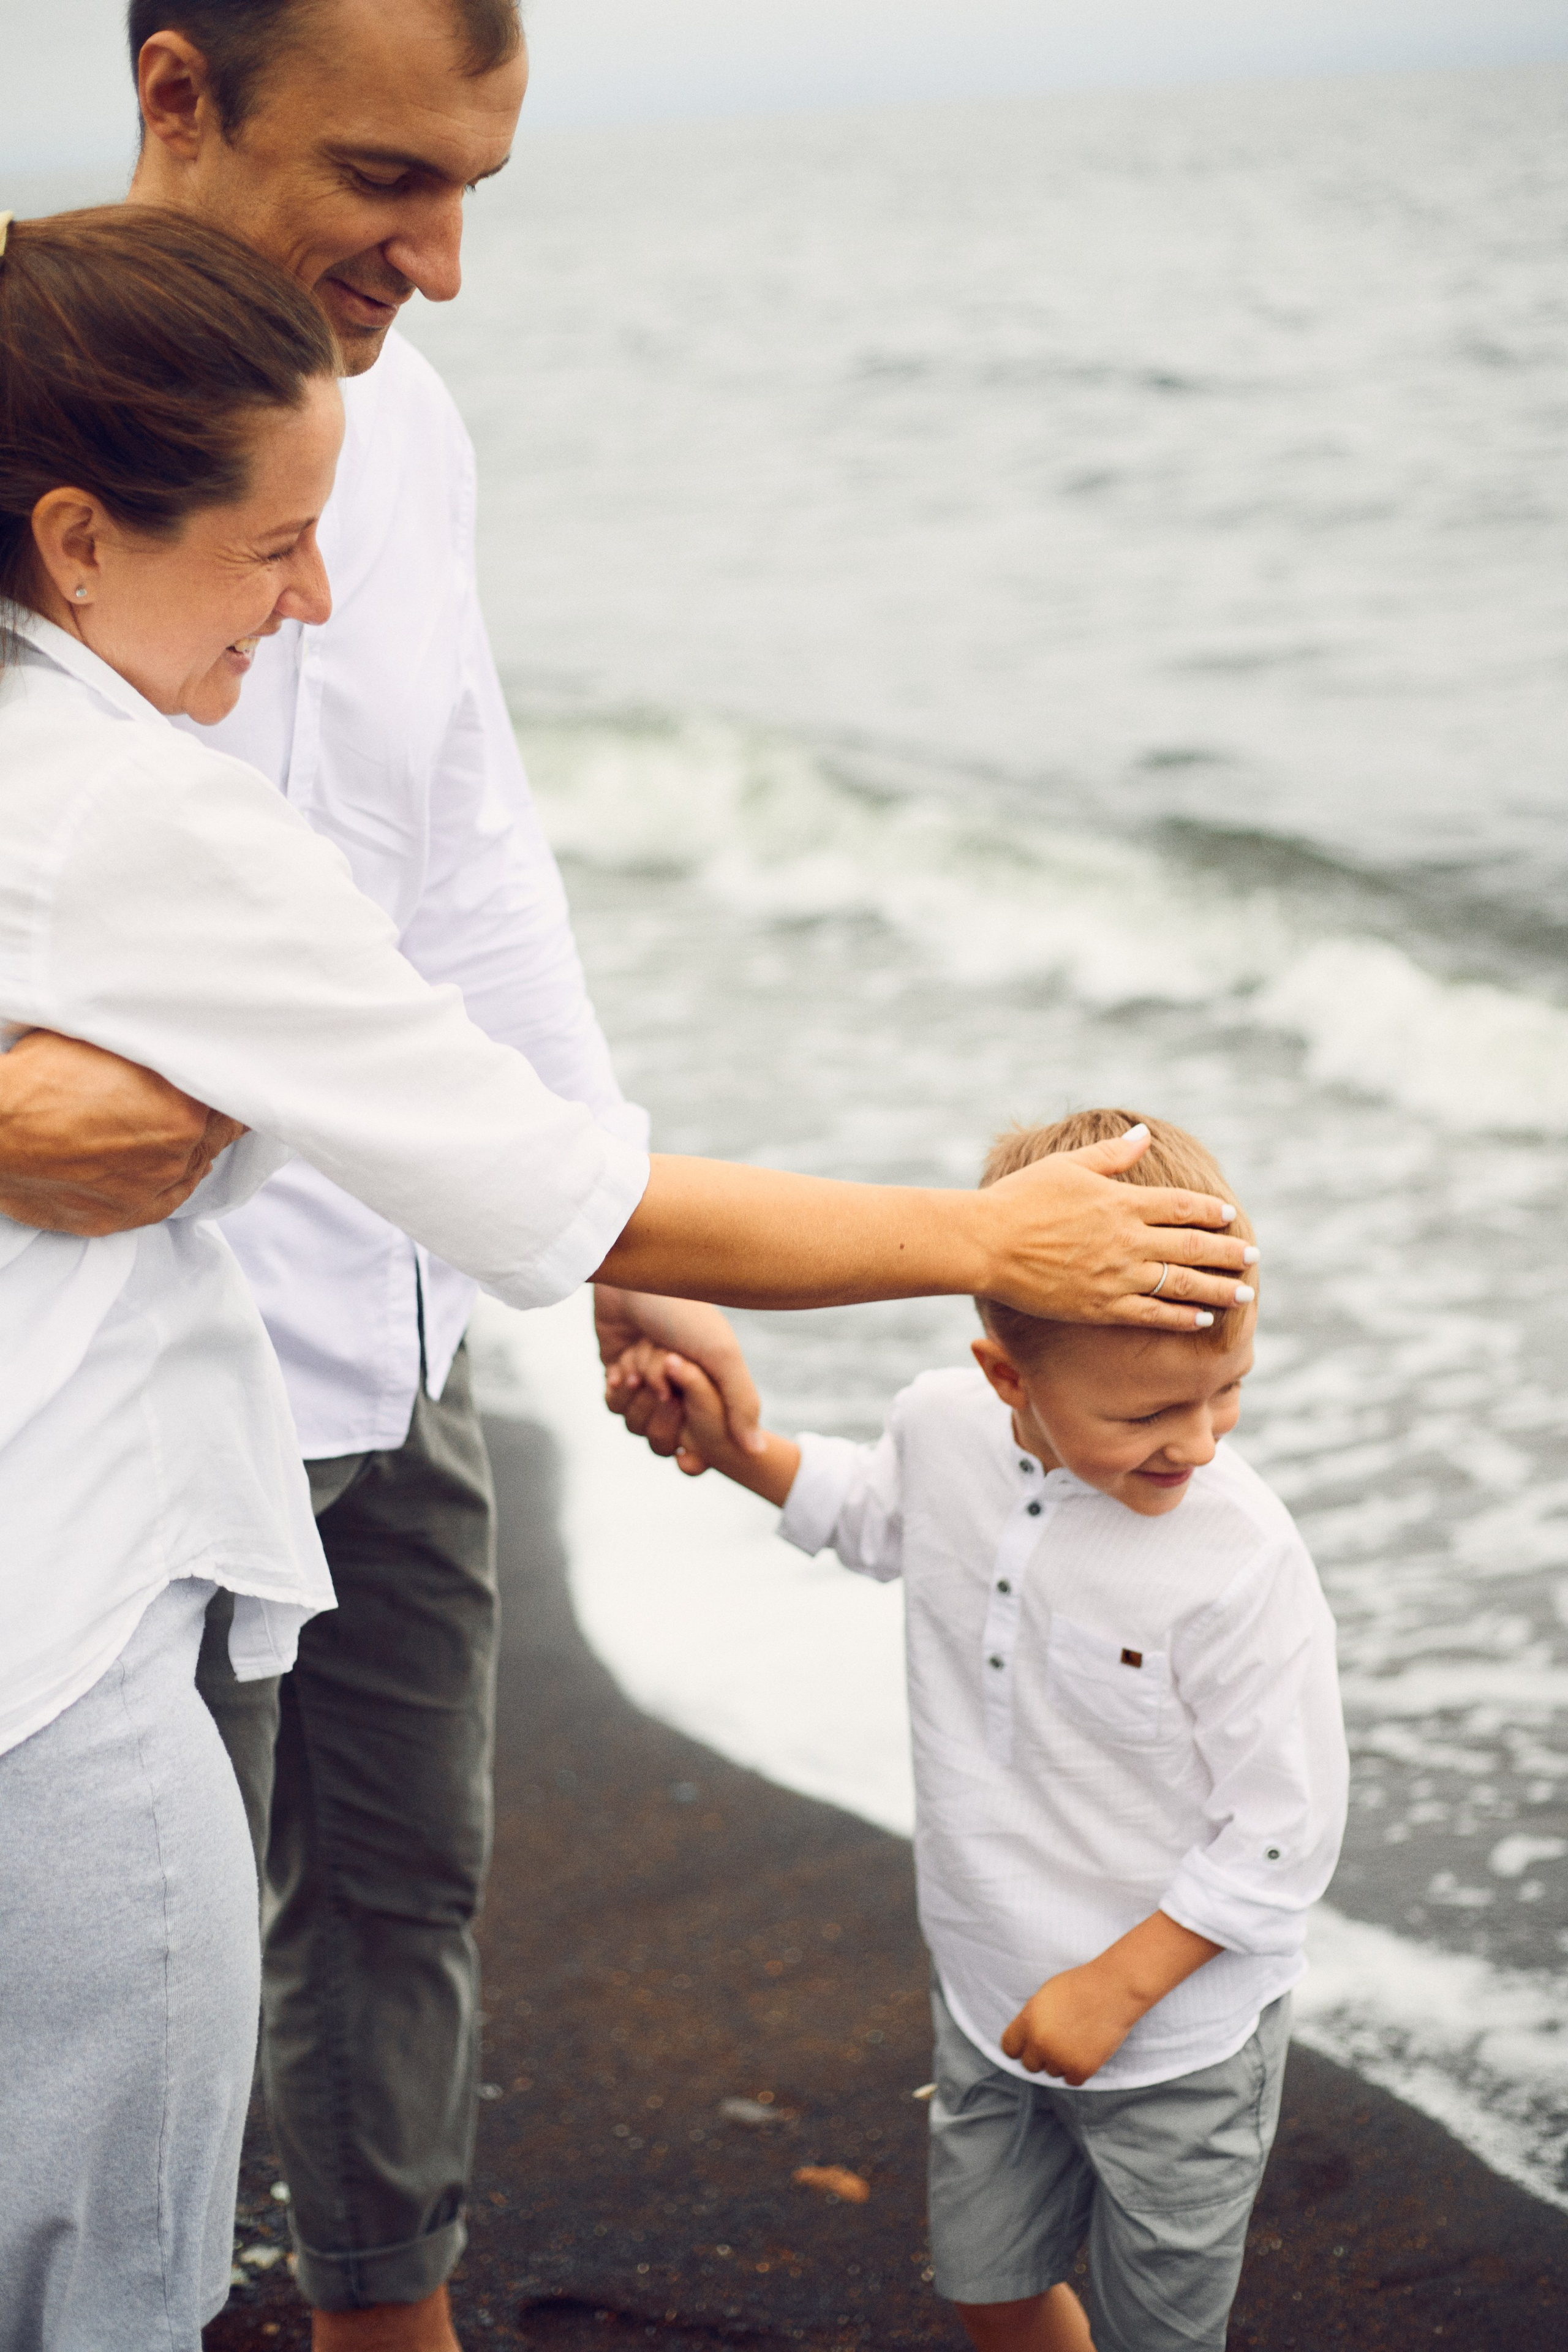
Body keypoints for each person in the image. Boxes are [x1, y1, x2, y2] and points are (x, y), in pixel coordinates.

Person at [0, 209, 1256, 2352]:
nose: (314, 602)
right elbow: (551, 1191)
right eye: (277, 547)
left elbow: (481, 881)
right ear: (80, 538)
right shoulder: (148, 814)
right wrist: (984, 1238)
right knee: (106, 2273)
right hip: (61, 1648)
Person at [611, 1110, 1347, 2352]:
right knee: (987, 2285)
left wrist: (1115, 1987)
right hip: (985, 1981)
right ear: (1008, 1379)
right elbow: (875, 1515)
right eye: (1149, 1413)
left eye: (1227, 1390)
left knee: (1159, 2334)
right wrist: (738, 1448)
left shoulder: (1239, 1556)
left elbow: (1286, 1830)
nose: (1198, 1440)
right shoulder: (942, 1425)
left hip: (1176, 2039)